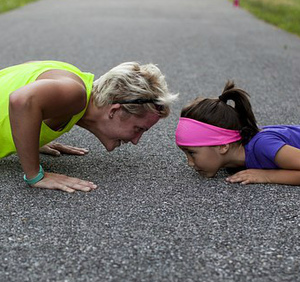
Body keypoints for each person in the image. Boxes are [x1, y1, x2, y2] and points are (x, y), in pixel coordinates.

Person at [1, 60, 177, 192]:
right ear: (114, 111)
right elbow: (21, 100)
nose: (136, 140)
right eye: (138, 129)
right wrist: (35, 174)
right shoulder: (75, 93)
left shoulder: (74, 82)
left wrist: (30, 139)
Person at [175, 80, 300, 185]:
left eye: (192, 153)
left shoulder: (263, 145)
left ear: (223, 146)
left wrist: (267, 176)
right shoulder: (233, 158)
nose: (190, 163)